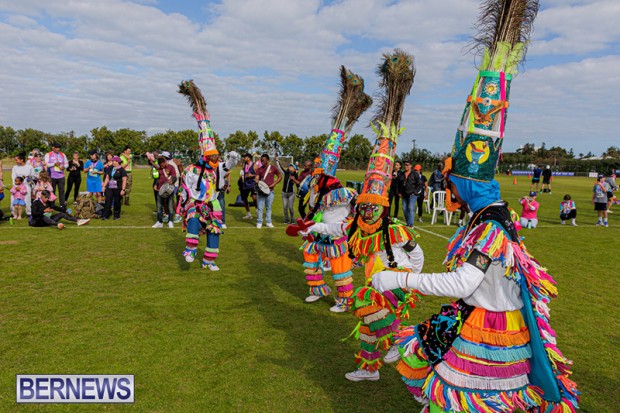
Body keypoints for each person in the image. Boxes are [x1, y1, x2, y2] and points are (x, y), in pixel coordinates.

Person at [372, 6, 579, 409]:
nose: (449, 187)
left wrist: (398, 279)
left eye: (453, 181)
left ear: (466, 183)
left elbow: (462, 283)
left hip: (490, 329)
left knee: (463, 397)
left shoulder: (489, 227)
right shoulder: (489, 214)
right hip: (479, 316)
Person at [297, 52, 421, 381]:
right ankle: (369, 369)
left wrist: (409, 279)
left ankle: (402, 341)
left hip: (396, 281)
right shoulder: (356, 225)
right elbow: (336, 227)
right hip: (375, 280)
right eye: (364, 206)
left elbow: (417, 256)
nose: (367, 211)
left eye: (372, 207)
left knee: (368, 311)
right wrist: (310, 228)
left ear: (383, 207)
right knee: (366, 326)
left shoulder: (393, 229)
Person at [177, 80, 240, 270]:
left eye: (216, 156)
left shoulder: (218, 168)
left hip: (213, 204)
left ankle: (209, 261)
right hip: (195, 203)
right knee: (193, 220)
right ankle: (190, 249)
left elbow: (228, 166)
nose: (215, 158)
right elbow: (185, 189)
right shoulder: (191, 170)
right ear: (204, 156)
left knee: (214, 231)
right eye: (212, 156)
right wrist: (182, 206)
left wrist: (233, 158)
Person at [254, 153, 282, 228]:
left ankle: (268, 222)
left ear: (267, 160)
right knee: (260, 208)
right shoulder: (259, 169)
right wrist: (256, 180)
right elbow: (257, 177)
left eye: (263, 160)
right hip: (261, 191)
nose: (262, 162)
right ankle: (259, 222)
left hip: (270, 191)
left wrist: (274, 183)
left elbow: (280, 176)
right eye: (261, 160)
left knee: (268, 208)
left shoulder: (273, 168)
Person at [152, 157, 177, 228]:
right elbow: (157, 178)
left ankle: (170, 221)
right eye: (160, 165)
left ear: (165, 162)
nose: (161, 166)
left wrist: (172, 180)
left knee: (170, 206)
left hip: (169, 189)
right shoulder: (159, 169)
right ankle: (159, 222)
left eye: (162, 164)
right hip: (160, 190)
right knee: (159, 207)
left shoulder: (171, 167)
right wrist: (155, 185)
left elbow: (174, 177)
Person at [101, 156, 128, 220]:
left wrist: (123, 189)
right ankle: (105, 215)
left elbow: (124, 180)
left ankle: (116, 215)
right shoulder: (110, 168)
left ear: (117, 162)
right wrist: (104, 186)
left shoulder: (122, 170)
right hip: (110, 187)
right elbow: (107, 178)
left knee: (117, 201)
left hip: (118, 188)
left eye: (113, 161)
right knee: (108, 200)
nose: (112, 162)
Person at [44, 142, 68, 209]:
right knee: (52, 191)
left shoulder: (62, 154)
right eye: (56, 147)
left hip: (61, 176)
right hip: (52, 176)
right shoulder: (48, 154)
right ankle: (52, 205)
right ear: (53, 147)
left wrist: (64, 167)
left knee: (61, 192)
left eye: (59, 147)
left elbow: (67, 164)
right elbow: (46, 164)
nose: (58, 149)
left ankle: (62, 206)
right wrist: (54, 164)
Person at [397, 160, 420, 227]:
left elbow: (420, 184)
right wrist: (399, 192)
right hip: (404, 194)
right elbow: (398, 184)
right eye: (405, 165)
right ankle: (408, 223)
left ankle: (410, 225)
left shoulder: (415, 174)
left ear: (411, 166)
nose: (406, 166)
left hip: (412, 194)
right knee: (404, 209)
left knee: (410, 208)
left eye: (407, 165)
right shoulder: (401, 174)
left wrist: (415, 192)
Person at [11, 153, 34, 217]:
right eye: (15, 160)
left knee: (27, 200)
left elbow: (33, 176)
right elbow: (13, 177)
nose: (16, 161)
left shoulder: (29, 167)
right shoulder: (15, 167)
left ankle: (29, 213)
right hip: (16, 187)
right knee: (13, 199)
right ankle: (14, 213)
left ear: (22, 160)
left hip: (26, 186)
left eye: (17, 160)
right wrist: (16, 186)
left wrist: (30, 178)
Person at [276, 156, 298, 224]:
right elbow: (280, 168)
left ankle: (292, 219)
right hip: (284, 193)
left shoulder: (295, 175)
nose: (289, 167)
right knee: (285, 207)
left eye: (291, 166)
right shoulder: (286, 173)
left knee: (290, 207)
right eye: (289, 166)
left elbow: (297, 182)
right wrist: (277, 161)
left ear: (294, 169)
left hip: (291, 193)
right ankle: (287, 219)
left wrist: (293, 178)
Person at [216, 154, 232, 228]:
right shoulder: (209, 164)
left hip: (220, 186)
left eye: (217, 155)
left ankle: (222, 222)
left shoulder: (223, 164)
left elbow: (228, 174)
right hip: (211, 188)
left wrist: (228, 185)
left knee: (221, 203)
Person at [240, 153, 257, 219]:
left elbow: (259, 174)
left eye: (245, 157)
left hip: (253, 184)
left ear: (249, 158)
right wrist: (240, 180)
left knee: (254, 197)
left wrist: (252, 175)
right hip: (245, 184)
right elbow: (241, 174)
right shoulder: (244, 165)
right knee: (244, 199)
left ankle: (258, 211)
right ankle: (249, 214)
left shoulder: (254, 165)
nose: (244, 158)